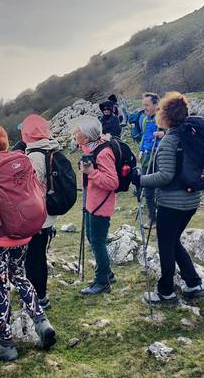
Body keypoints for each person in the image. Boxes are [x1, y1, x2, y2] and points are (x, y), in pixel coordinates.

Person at [0, 120, 56, 361]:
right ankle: (42, 322)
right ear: (3, 140)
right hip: (22, 235)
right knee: (20, 276)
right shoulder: (21, 163)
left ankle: (6, 343)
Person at [130, 92, 204, 305]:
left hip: (171, 203)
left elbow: (165, 175)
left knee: (166, 244)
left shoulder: (169, 141)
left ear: (165, 116)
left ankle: (165, 291)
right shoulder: (189, 136)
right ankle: (193, 282)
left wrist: (139, 179)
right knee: (174, 241)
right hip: (192, 201)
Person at [73, 116, 119, 295]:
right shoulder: (92, 148)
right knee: (93, 239)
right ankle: (107, 273)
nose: (74, 134)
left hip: (101, 205)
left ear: (85, 136)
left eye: (77, 131)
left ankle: (102, 283)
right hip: (93, 203)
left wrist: (91, 172)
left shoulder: (103, 153)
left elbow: (112, 182)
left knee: (98, 242)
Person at [20, 114, 59, 310]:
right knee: (39, 256)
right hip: (48, 216)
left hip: (38, 218)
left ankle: (38, 298)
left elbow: (30, 188)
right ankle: (39, 295)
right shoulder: (50, 148)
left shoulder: (35, 155)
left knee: (34, 259)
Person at [139, 93, 164, 226]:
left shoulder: (164, 118)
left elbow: (175, 134)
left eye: (147, 105)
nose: (145, 108)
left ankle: (162, 218)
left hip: (160, 157)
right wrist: (141, 150)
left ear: (156, 105)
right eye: (144, 105)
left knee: (160, 189)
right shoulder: (144, 119)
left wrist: (163, 134)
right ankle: (151, 218)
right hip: (147, 157)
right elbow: (144, 136)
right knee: (147, 186)